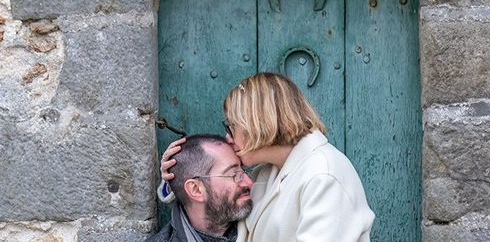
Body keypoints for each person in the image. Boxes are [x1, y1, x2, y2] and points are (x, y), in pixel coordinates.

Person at [160, 72, 374, 242]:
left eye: (232, 126)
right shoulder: (267, 172)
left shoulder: (325, 176)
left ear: (257, 125)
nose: (228, 136)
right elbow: (220, 212)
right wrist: (177, 177)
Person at [148, 134, 253, 242]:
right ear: (196, 190)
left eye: (243, 170)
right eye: (234, 175)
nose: (249, 183)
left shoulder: (260, 211)